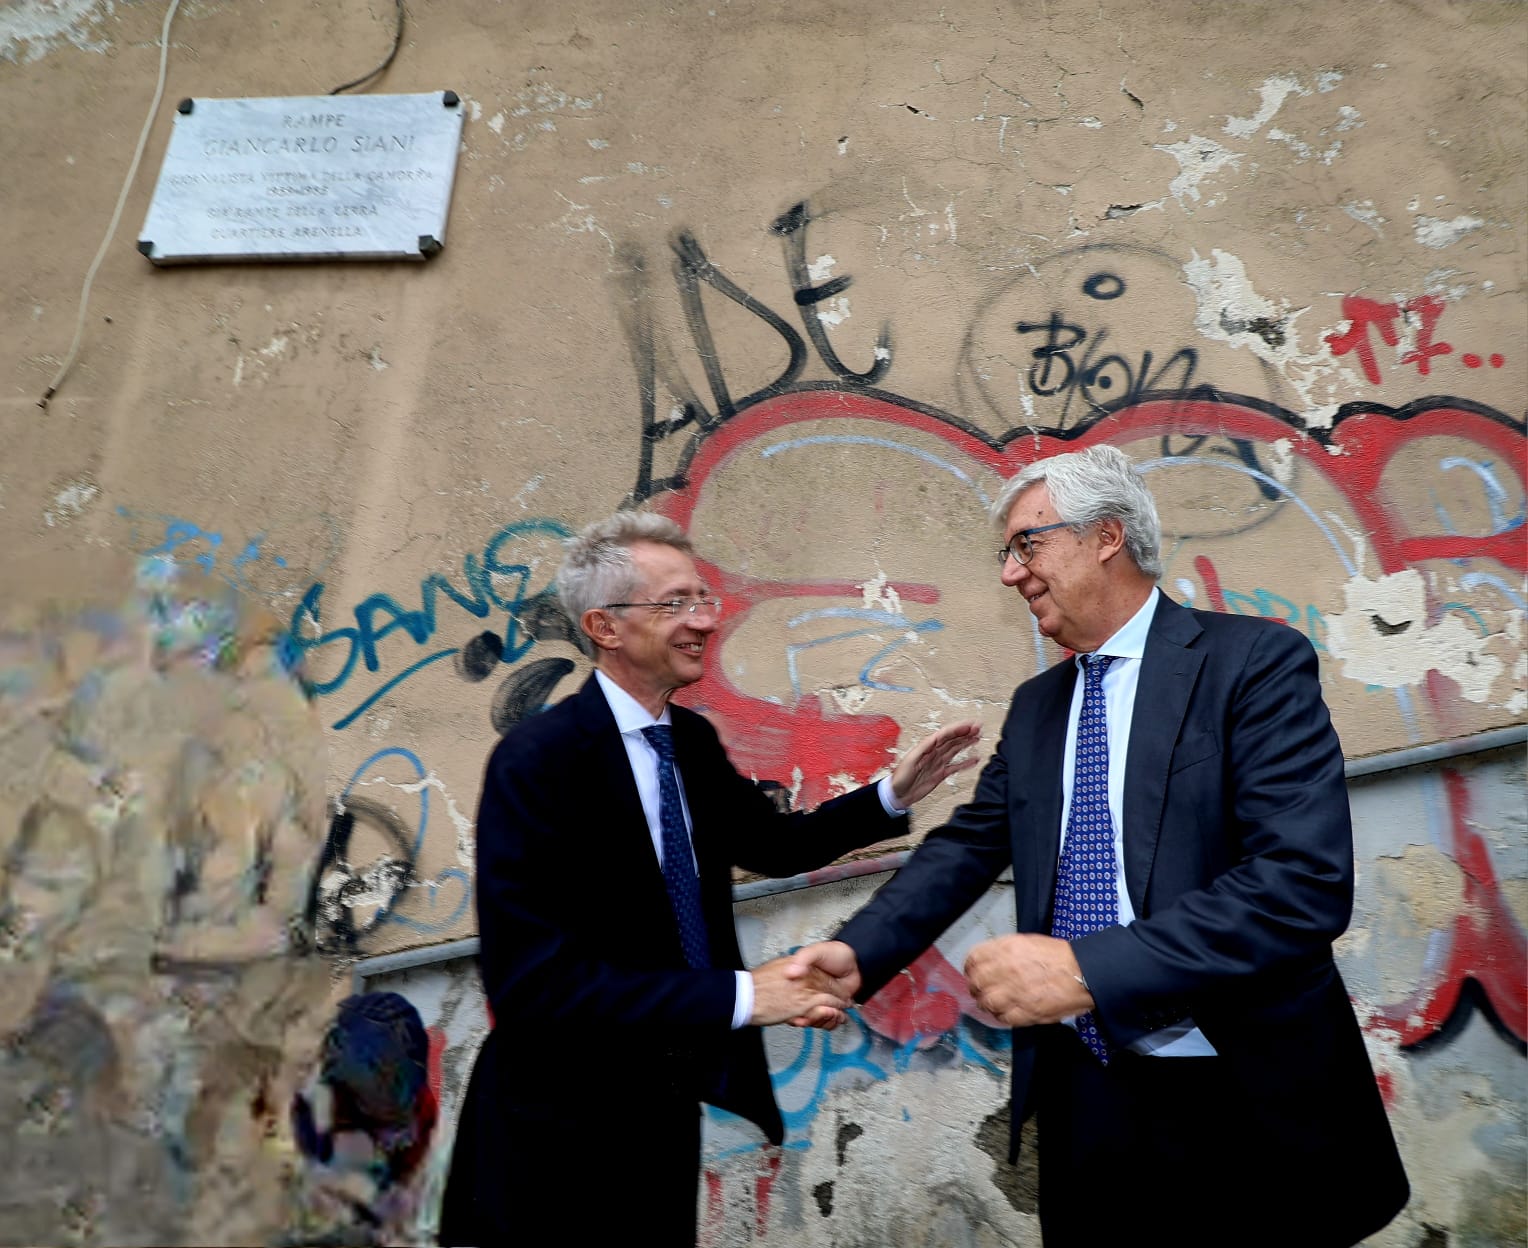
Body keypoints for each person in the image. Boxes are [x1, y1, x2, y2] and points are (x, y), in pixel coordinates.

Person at [789, 445, 1409, 1246]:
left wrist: (1087, 969)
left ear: (1106, 536)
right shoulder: (1041, 706)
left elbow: (1301, 885)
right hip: (1086, 1095)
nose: (1011, 573)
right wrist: (859, 953)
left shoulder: (1251, 663)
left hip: (1239, 1091)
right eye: (1007, 553)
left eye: (1027, 545)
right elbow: (969, 845)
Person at [438, 511, 979, 1246]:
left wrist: (891, 795)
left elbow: (777, 845)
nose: (703, 622)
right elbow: (534, 988)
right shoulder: (537, 763)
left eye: (703, 601)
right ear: (604, 625)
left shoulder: (686, 741)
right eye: (676, 605)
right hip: (555, 1138)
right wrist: (747, 994)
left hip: (663, 1112)